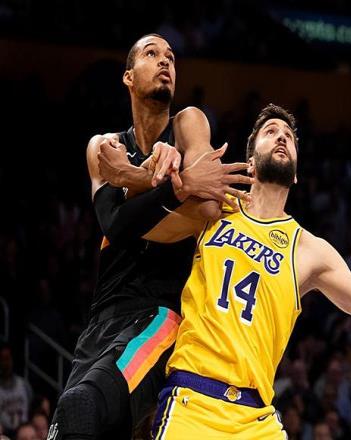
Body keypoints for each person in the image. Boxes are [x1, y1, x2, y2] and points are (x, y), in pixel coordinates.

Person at [145, 104, 351, 438]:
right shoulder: (216, 207)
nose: (282, 138)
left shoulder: (308, 250)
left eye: (288, 136)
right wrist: (159, 172)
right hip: (193, 399)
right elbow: (143, 226)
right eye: (271, 132)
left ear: (296, 174)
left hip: (255, 418)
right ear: (251, 162)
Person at [49, 33, 252, 440]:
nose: (165, 62)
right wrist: (176, 187)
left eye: (171, 57)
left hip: (160, 312)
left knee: (82, 406)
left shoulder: (187, 123)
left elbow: (207, 209)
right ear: (128, 76)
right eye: (152, 53)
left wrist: (132, 178)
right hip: (102, 316)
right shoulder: (104, 146)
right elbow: (114, 225)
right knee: (70, 424)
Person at [0, 342, 32, 438]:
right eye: (2, 359)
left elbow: (30, 410)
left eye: (7, 359)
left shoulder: (23, 385)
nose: (5, 363)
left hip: (24, 434)